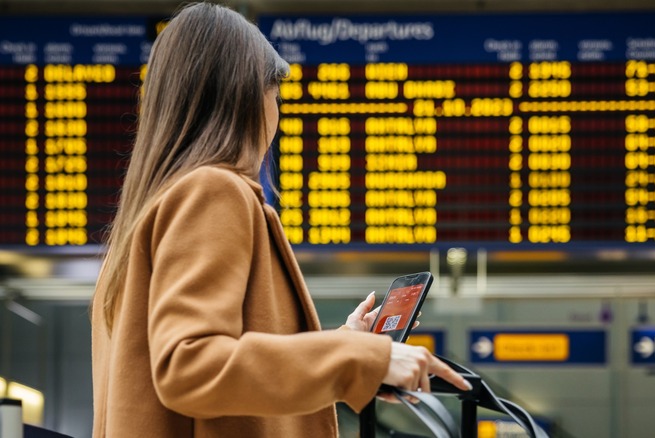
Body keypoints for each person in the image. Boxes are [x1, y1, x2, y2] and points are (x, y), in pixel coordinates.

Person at [90, 2, 471, 437]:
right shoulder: (213, 190)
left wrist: (342, 346)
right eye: (276, 95)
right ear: (246, 96)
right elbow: (189, 365)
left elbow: (207, 378)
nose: (278, 114)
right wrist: (361, 360)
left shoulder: (135, 229)